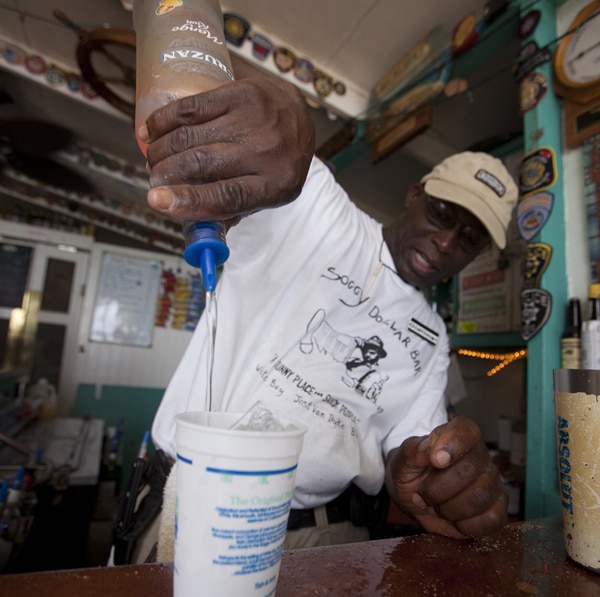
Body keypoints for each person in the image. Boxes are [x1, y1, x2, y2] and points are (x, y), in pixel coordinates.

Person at [137, 57, 517, 557]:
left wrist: (438, 466)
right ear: (415, 194)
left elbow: (412, 446)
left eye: (469, 239)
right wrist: (279, 112)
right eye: (443, 214)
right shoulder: (315, 205)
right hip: (182, 498)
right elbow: (275, 151)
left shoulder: (432, 337)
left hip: (313, 538)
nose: (446, 242)